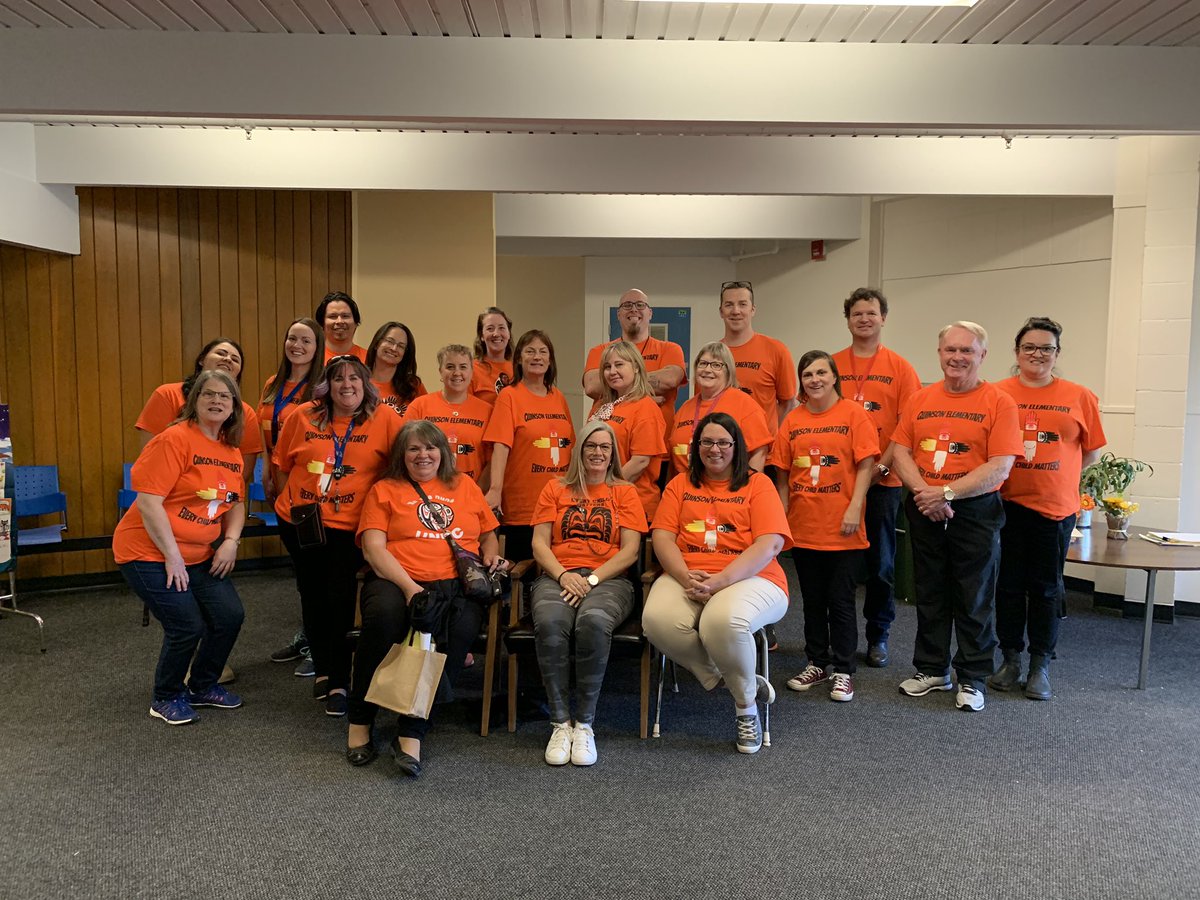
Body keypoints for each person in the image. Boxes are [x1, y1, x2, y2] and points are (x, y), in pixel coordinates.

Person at [348, 420, 506, 777]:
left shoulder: (464, 485)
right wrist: (410, 589)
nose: (424, 455)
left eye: (431, 447)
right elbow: (373, 548)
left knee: (462, 628)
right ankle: (360, 719)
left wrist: (491, 554)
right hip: (396, 579)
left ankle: (412, 730)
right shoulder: (385, 489)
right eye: (414, 448)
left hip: (454, 583)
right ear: (402, 455)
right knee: (384, 618)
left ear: (443, 452)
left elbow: (488, 533)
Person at [891, 321, 1022, 713]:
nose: (958, 357)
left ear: (982, 355)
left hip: (974, 510)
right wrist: (925, 493)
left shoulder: (999, 402)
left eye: (967, 350)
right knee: (929, 591)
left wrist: (947, 493)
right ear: (939, 353)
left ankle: (972, 676)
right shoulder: (920, 398)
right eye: (951, 349)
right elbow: (900, 451)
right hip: (924, 506)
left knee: (974, 595)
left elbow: (1000, 466)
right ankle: (932, 669)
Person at [643, 412, 791, 754]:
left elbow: (770, 544)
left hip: (752, 577)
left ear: (737, 447)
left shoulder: (758, 484)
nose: (715, 449)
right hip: (688, 575)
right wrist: (684, 575)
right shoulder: (679, 485)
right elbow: (662, 538)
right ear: (696, 447)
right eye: (706, 442)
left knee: (720, 621)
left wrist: (721, 581)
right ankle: (738, 680)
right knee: (656, 620)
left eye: (723, 442)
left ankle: (746, 709)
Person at [114, 370, 247, 726]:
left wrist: (230, 541)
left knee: (229, 615)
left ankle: (202, 686)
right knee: (187, 625)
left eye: (225, 396)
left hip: (197, 553)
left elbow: (235, 503)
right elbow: (149, 502)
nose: (216, 401)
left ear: (234, 407)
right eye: (208, 394)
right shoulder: (174, 440)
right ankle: (166, 695)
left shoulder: (231, 451)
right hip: (148, 552)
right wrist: (172, 556)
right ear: (194, 401)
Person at [273, 355, 403, 717]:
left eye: (354, 378)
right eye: (338, 378)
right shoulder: (303, 416)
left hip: (351, 527)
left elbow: (398, 469)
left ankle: (339, 681)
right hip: (302, 523)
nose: (347, 385)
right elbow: (282, 466)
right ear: (326, 385)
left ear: (366, 384)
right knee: (311, 594)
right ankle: (323, 667)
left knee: (342, 599)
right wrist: (295, 504)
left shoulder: (385, 418)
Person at [991, 317, 1106, 700]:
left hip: (1054, 509)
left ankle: (1040, 664)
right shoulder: (998, 393)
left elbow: (1090, 452)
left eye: (1046, 348)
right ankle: (1010, 659)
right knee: (1007, 586)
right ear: (1016, 352)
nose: (1037, 354)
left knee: (1045, 588)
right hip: (1005, 504)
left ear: (1057, 353)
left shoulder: (1079, 396)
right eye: (1029, 347)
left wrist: (1058, 474)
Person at [529, 420, 648, 767]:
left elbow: (630, 551)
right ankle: (560, 724)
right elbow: (539, 543)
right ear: (579, 450)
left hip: (609, 580)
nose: (598, 452)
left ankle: (584, 724)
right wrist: (564, 575)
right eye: (591, 446)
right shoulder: (554, 488)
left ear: (613, 454)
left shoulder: (625, 492)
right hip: (558, 576)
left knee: (593, 623)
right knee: (551, 623)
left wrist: (592, 579)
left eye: (605, 447)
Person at [771, 351, 879, 703]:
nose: (814, 379)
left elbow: (866, 465)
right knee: (813, 601)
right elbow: (783, 472)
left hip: (843, 526)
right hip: (804, 526)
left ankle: (844, 670)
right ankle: (817, 662)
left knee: (841, 601)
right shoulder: (793, 419)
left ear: (834, 377)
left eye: (821, 372)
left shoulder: (854, 414)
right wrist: (784, 512)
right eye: (807, 374)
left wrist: (855, 507)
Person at [831, 288, 922, 668]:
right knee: (838, 564)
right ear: (848, 320)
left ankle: (878, 634)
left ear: (883, 317)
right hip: (837, 483)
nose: (864, 319)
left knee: (881, 565)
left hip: (883, 483)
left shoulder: (901, 368)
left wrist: (881, 469)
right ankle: (838, 635)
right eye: (857, 313)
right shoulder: (832, 364)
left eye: (871, 313)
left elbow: (906, 428)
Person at [256, 317, 325, 673]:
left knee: (316, 572)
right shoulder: (273, 383)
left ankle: (321, 644)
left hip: (307, 487)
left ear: (317, 348)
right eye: (292, 338)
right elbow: (263, 430)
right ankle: (307, 634)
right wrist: (267, 471)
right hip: (277, 479)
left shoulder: (322, 386)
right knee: (301, 570)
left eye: (306, 341)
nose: (297, 346)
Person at [483, 330, 575, 563]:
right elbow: (501, 446)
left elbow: (569, 446)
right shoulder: (509, 396)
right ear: (518, 359)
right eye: (530, 351)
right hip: (522, 505)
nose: (537, 357)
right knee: (521, 571)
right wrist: (495, 489)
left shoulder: (559, 397)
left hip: (559, 504)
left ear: (550, 360)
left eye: (543, 352)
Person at [135, 336, 263, 477]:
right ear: (201, 360)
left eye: (235, 359)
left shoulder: (246, 413)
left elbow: (241, 475)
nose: (228, 359)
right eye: (221, 353)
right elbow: (150, 457)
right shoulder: (168, 394)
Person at [582, 289, 686, 437]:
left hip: (656, 439)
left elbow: (670, 380)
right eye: (627, 305)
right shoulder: (600, 351)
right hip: (606, 441)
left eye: (640, 305)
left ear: (650, 313)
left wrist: (618, 388)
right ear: (618, 314)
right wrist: (645, 398)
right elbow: (592, 386)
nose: (634, 309)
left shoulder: (670, 349)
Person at [587, 341, 668, 519]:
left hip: (632, 504)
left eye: (619, 364)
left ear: (636, 367)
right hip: (597, 502)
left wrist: (605, 490)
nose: (612, 371)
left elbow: (640, 461)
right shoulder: (601, 405)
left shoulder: (645, 407)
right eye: (607, 367)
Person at [668, 342, 772, 477]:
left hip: (729, 487)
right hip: (686, 486)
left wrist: (747, 486)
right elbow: (673, 460)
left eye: (716, 365)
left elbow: (759, 453)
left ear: (728, 371)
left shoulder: (745, 404)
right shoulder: (685, 408)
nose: (707, 370)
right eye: (703, 363)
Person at [403, 344, 493, 484]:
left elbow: (492, 461)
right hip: (425, 491)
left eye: (463, 367)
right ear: (440, 371)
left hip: (471, 491)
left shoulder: (487, 411)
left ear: (472, 371)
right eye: (450, 367)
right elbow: (404, 451)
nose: (457, 373)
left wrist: (476, 492)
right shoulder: (419, 406)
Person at [718, 280, 797, 434]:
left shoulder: (776, 350)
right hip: (721, 446)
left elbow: (788, 403)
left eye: (742, 304)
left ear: (752, 310)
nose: (736, 311)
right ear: (721, 311)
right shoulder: (711, 355)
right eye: (729, 305)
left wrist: (769, 438)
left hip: (764, 447)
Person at [367, 321, 427, 417]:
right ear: (377, 343)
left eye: (401, 346)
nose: (394, 348)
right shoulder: (358, 382)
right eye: (390, 341)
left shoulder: (413, 386)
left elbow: (426, 422)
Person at [470, 307, 515, 405]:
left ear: (508, 334)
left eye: (501, 328)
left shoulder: (518, 370)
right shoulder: (471, 370)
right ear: (482, 336)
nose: (496, 334)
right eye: (490, 329)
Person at [315, 290, 367, 362]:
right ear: (322, 323)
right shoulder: (312, 358)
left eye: (345, 316)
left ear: (356, 322)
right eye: (333, 316)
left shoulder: (370, 359)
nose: (339, 321)